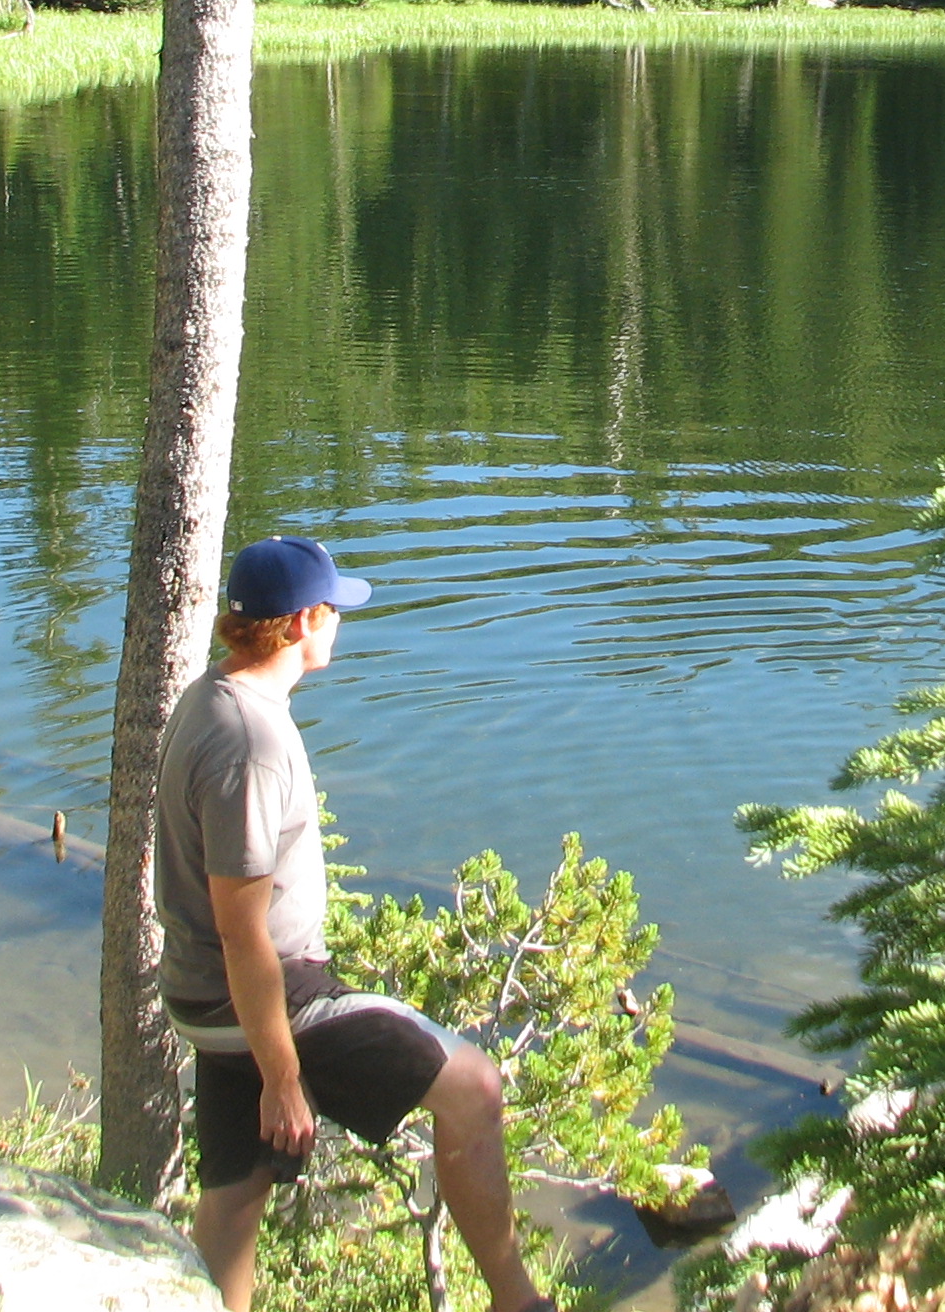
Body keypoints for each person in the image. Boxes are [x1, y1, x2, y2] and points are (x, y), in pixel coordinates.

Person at [156, 533, 551, 1312]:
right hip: (264, 995)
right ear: (301, 622)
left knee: (237, 1193)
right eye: (334, 608)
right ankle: (519, 1302)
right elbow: (245, 932)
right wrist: (282, 1074)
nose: (340, 620)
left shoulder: (212, 696)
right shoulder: (251, 743)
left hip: (205, 997)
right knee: (474, 1086)